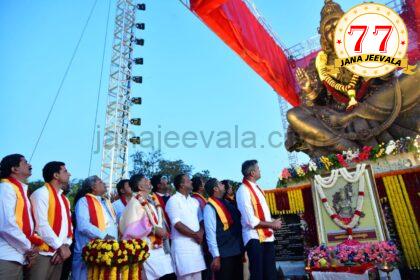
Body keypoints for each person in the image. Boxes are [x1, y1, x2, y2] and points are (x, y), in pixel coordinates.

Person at [120, 174, 175, 280]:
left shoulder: (150, 202)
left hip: (158, 247)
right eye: (145, 180)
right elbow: (131, 229)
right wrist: (154, 230)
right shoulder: (134, 203)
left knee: (169, 275)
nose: (149, 181)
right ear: (140, 187)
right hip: (146, 251)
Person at [236, 160, 282, 280]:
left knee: (271, 274)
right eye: (258, 168)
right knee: (258, 275)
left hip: (267, 237)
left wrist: (273, 221)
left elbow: (263, 215)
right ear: (252, 173)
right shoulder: (243, 190)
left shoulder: (258, 188)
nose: (260, 170)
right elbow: (251, 221)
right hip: (254, 238)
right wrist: (272, 224)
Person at [29, 161, 73, 280]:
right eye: (65, 171)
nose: (69, 174)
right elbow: (41, 225)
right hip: (42, 253)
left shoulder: (64, 199)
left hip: (59, 254)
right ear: (56, 175)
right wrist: (60, 247)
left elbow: (69, 227)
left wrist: (65, 246)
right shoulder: (41, 194)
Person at [72, 176, 118, 280]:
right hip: (89, 251)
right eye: (100, 182)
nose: (104, 183)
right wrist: (104, 236)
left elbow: (113, 224)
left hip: (108, 251)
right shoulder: (83, 201)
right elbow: (83, 225)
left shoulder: (106, 202)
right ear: (93, 187)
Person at [0, 154, 37, 279]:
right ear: (14, 169)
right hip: (6, 255)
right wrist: (28, 247)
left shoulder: (20, 190)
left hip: (18, 255)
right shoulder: (6, 188)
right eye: (25, 162)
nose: (30, 165)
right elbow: (6, 225)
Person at [166, 174, 206, 280]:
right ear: (181, 185)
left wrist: (200, 233)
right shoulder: (173, 200)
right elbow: (177, 224)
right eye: (188, 181)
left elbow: (201, 220)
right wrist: (196, 235)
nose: (192, 182)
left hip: (196, 246)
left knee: (198, 277)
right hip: (182, 247)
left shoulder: (194, 201)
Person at [203, 178, 243, 280]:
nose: (223, 185)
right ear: (215, 189)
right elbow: (210, 233)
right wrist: (216, 256)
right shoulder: (209, 207)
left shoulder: (227, 203)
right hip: (223, 254)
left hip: (236, 250)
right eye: (220, 184)